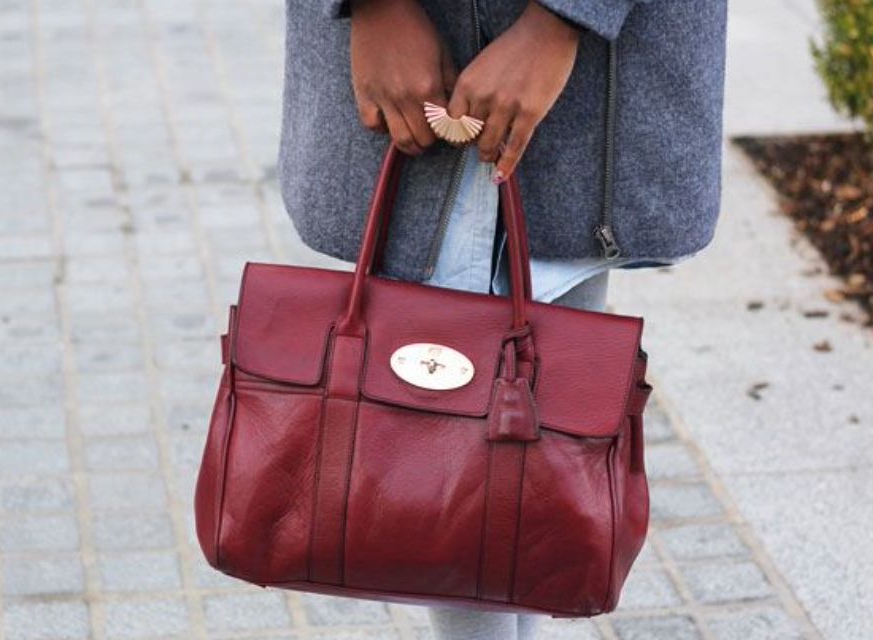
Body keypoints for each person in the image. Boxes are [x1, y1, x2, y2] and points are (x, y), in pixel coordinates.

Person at [278, 0, 727, 637]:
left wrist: (560, 20)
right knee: (491, 441)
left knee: (538, 413)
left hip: (593, 63)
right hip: (398, 46)